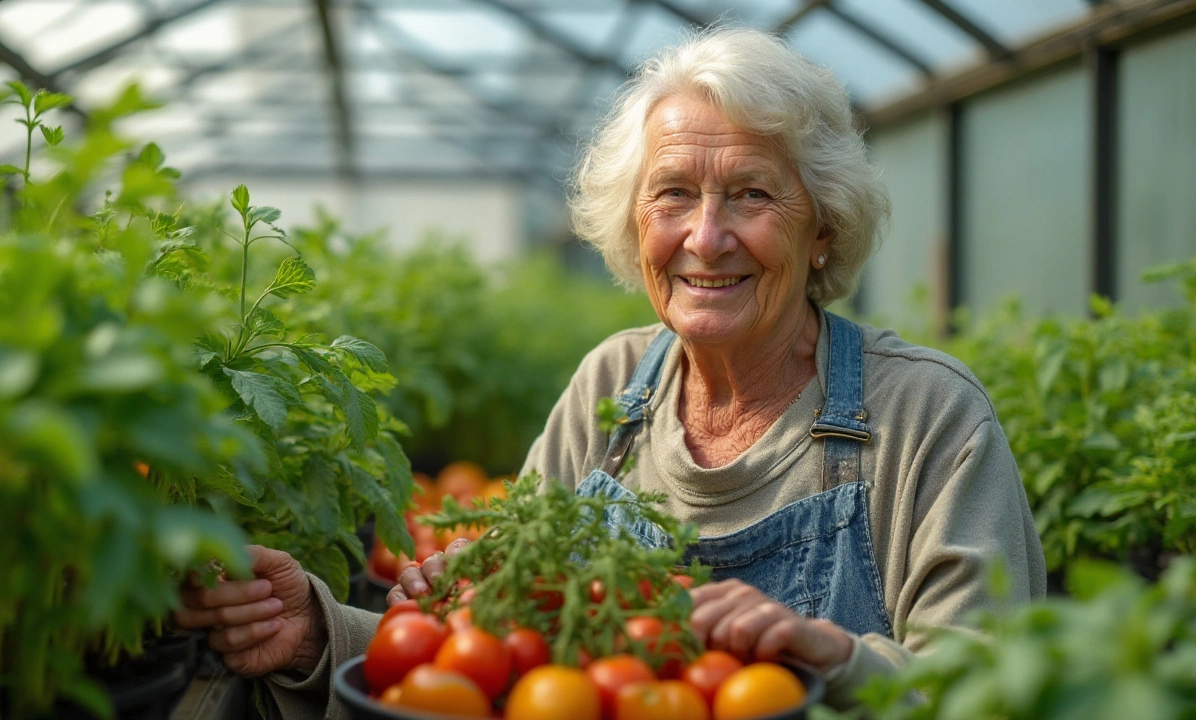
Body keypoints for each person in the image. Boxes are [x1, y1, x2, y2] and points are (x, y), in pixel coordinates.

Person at [174, 26, 1046, 717]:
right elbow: (502, 651)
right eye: (673, 195)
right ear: (635, 228)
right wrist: (319, 632)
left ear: (822, 230)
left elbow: (996, 683)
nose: (706, 237)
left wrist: (836, 656)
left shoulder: (923, 416)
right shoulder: (612, 389)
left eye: (750, 193)